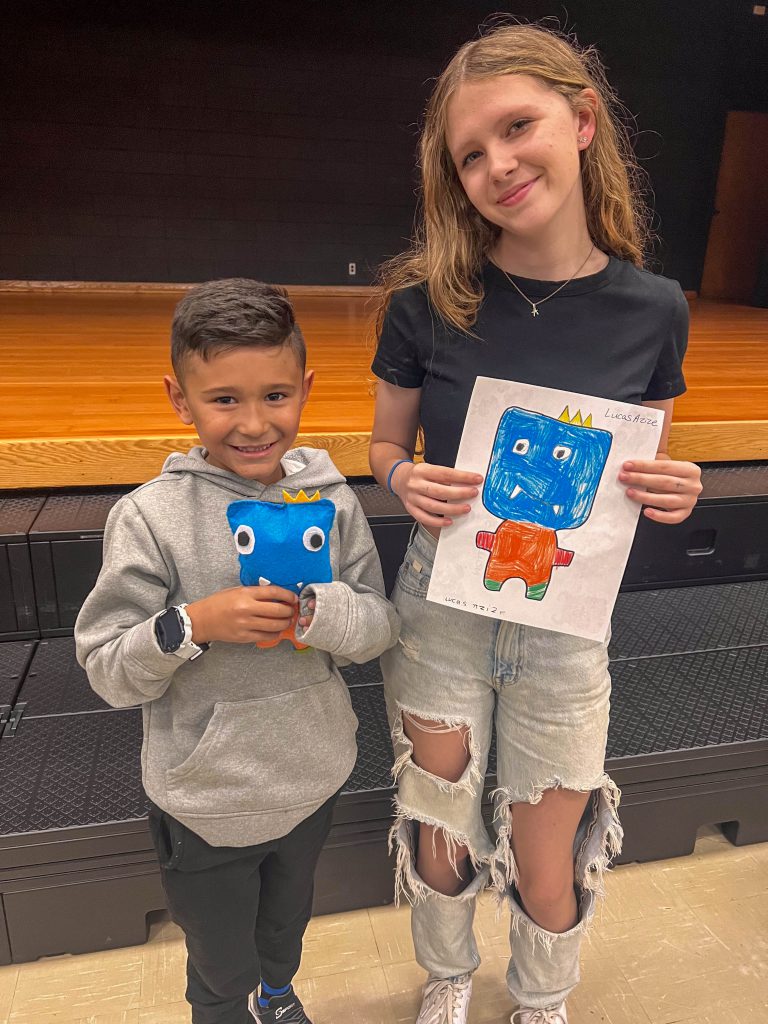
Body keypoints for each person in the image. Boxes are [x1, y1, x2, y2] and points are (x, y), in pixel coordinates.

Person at [369, 23, 702, 1024]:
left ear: (583, 121)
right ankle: (449, 975)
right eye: (469, 154)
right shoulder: (425, 302)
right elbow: (384, 448)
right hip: (442, 601)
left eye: (518, 128)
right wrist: (401, 479)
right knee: (439, 822)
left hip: (565, 622)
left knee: (548, 834)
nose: (497, 165)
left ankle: (542, 997)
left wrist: (675, 488)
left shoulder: (655, 309)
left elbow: (640, 467)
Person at [75, 279, 399, 1024]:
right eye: (224, 399)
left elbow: (379, 627)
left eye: (276, 396)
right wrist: (193, 624)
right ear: (179, 399)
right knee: (221, 968)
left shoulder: (332, 498)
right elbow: (106, 666)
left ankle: (279, 997)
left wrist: (322, 613)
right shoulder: (150, 519)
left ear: (306, 390)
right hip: (205, 800)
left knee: (284, 932)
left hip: (312, 777)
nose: (254, 423)